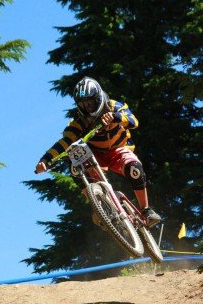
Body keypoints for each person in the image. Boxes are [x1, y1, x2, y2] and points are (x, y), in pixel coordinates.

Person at [35, 76, 161, 227]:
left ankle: (146, 210)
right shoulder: (78, 122)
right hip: (96, 155)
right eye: (83, 104)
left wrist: (116, 117)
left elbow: (134, 122)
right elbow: (64, 142)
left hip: (119, 149)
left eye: (91, 102)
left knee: (135, 168)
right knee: (75, 169)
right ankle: (98, 206)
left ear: (99, 97)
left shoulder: (114, 105)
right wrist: (45, 159)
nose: (88, 107)